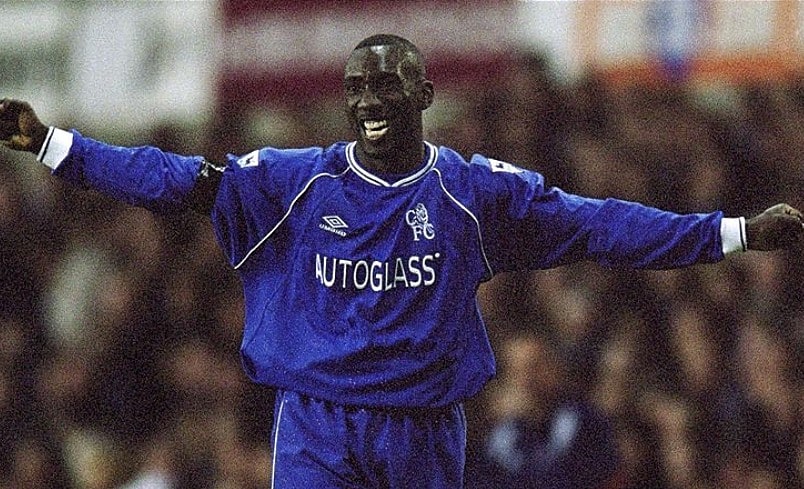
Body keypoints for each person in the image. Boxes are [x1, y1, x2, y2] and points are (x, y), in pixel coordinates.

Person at [0, 33, 802, 489]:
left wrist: (730, 231)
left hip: (423, 432)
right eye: (358, 87)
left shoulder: (471, 195)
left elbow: (602, 227)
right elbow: (170, 181)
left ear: (425, 98)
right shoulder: (294, 182)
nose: (373, 100)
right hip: (316, 425)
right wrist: (51, 142)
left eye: (391, 84)